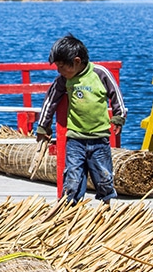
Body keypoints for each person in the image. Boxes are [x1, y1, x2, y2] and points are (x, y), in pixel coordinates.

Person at [35, 34, 127, 205]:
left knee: (103, 175)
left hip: (99, 138)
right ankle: (71, 206)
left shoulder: (100, 73)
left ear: (77, 61)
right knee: (73, 175)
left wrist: (118, 116)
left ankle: (106, 206)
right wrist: (43, 127)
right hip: (75, 139)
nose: (59, 71)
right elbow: (50, 101)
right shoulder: (64, 80)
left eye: (62, 67)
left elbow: (116, 94)